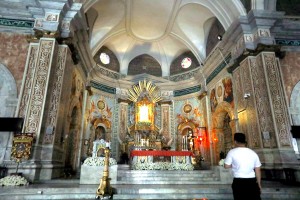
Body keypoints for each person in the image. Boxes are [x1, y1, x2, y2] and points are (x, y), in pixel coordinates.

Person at [224, 132, 262, 200]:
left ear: (235, 141)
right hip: (252, 182)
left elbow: (226, 166)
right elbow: (258, 170)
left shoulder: (232, 152)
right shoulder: (253, 153)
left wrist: (234, 165)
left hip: (239, 182)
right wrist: (259, 184)